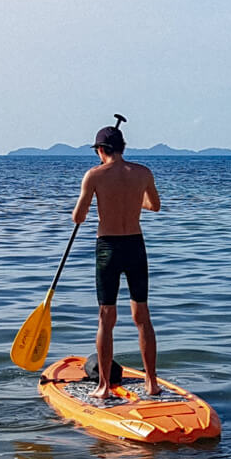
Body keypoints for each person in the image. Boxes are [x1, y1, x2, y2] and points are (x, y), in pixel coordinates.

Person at [70, 115, 161, 400]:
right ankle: (152, 383)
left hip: (108, 247)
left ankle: (104, 387)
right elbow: (154, 206)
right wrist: (132, 199)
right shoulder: (143, 173)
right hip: (135, 245)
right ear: (122, 146)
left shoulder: (94, 175)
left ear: (100, 150)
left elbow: (78, 216)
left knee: (106, 317)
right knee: (142, 316)